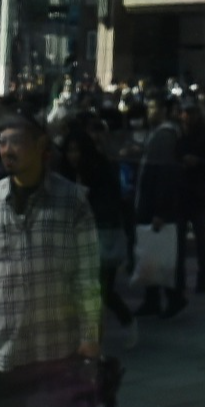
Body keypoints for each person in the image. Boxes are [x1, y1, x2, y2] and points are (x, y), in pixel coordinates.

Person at [0, 113, 102, 407]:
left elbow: (87, 276)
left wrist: (90, 335)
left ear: (41, 145)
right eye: (2, 143)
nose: (7, 150)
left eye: (16, 142)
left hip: (55, 351)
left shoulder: (72, 200)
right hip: (1, 351)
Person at [58, 120, 134, 338]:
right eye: (69, 151)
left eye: (77, 151)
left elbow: (113, 203)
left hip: (100, 234)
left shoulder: (101, 169)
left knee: (99, 289)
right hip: (75, 237)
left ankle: (104, 331)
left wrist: (88, 200)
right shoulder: (65, 173)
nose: (73, 156)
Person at [132, 100, 186, 319]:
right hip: (151, 201)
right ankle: (153, 299)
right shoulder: (159, 133)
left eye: (153, 108)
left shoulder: (164, 135)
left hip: (155, 204)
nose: (149, 112)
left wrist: (160, 211)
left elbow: (165, 175)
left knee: (161, 253)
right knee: (152, 251)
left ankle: (173, 297)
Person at [175, 98, 205, 295]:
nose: (187, 117)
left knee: (201, 240)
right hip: (180, 192)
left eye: (191, 113)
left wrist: (198, 161)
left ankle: (202, 279)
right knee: (179, 242)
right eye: (185, 113)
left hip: (198, 191)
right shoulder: (177, 134)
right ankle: (179, 280)